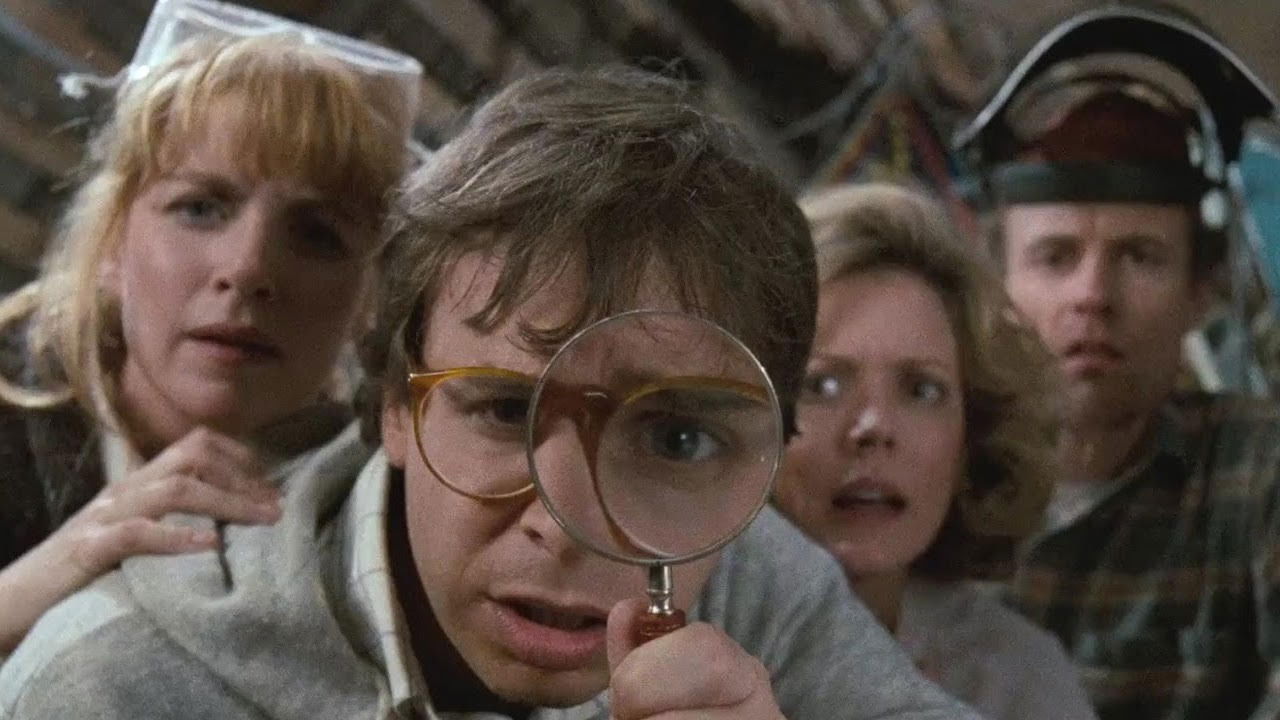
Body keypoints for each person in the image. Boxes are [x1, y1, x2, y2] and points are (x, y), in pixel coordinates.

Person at [0, 66, 982, 720]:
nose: (568, 526)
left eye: (674, 438)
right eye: (506, 410)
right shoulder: (121, 686)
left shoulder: (750, 576)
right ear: (394, 404)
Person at [0, 0, 421, 655]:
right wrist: (45, 575)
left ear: (366, 298)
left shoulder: (378, 511)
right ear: (112, 243)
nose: (249, 268)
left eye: (318, 234)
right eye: (200, 208)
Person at [953, 5, 1280, 719]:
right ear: (997, 285)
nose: (1093, 296)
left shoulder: (1255, 474)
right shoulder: (925, 472)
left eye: (1140, 256)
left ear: (1201, 292)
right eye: (1055, 256)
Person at [774, 182, 1096, 720]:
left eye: (922, 390)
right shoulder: (661, 638)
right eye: (823, 386)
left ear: (971, 439)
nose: (874, 427)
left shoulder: (1018, 682)